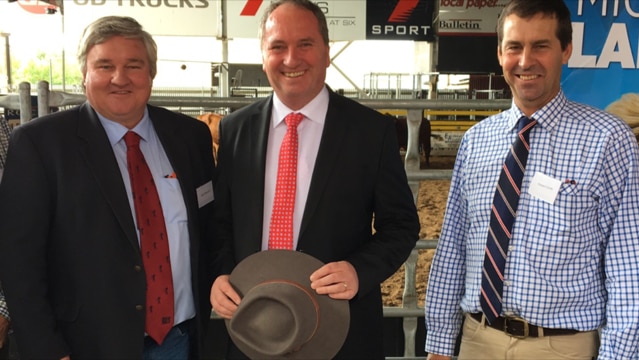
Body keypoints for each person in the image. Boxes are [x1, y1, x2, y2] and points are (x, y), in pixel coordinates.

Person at [424, 1, 639, 359]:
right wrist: (441, 344)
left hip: (562, 346)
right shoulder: (477, 141)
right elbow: (454, 249)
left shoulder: (608, 139)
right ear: (499, 53)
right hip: (478, 340)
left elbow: (627, 263)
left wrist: (618, 354)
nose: (525, 61)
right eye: (514, 47)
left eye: (541, 46)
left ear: (565, 50)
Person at [209, 0, 420, 358]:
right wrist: (218, 275)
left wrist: (359, 271)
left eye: (305, 44)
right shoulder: (235, 129)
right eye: (277, 46)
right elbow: (219, 224)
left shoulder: (372, 132)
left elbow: (400, 225)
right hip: (252, 325)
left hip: (340, 329)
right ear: (263, 56)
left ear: (326, 52)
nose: (292, 59)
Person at [0, 16, 217, 359]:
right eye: (104, 66)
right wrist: (47, 350)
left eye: (134, 65)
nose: (120, 78)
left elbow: (210, 228)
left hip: (179, 342)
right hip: (84, 347)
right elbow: (18, 264)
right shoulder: (40, 145)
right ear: (84, 74)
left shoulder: (190, 137)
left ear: (151, 74)